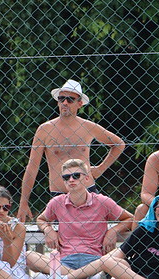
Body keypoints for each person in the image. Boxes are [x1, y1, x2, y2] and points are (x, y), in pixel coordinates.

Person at [27, 159, 133, 279]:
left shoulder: (102, 201)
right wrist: (49, 230)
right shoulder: (57, 202)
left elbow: (130, 219)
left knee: (114, 258)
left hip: (95, 262)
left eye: (76, 175)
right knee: (28, 256)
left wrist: (113, 231)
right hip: (65, 262)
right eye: (66, 177)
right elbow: (41, 219)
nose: (71, 180)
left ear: (87, 178)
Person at [17, 79, 125, 222]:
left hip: (87, 192)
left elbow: (118, 144)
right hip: (59, 195)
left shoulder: (88, 127)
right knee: (61, 235)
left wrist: (100, 169)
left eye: (70, 99)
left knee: (94, 232)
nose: (65, 103)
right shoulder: (45, 130)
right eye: (61, 98)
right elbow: (32, 167)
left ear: (79, 103)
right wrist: (23, 202)